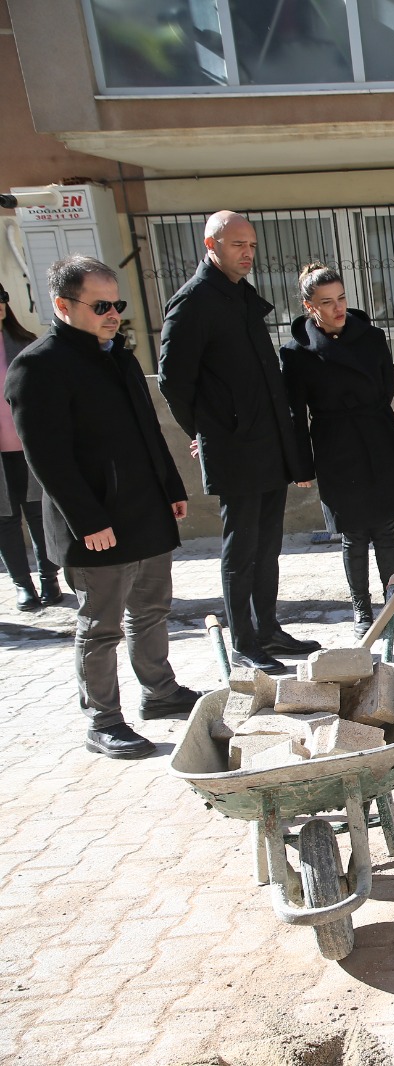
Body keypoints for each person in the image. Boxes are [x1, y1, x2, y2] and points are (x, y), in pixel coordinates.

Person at [4, 256, 202, 758]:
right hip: (96, 524)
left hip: (146, 511)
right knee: (101, 626)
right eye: (100, 305)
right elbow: (45, 457)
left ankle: (160, 693)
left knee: (152, 610)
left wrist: (171, 485)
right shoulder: (37, 364)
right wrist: (88, 519)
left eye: (116, 303)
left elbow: (147, 431)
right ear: (63, 305)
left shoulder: (119, 356)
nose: (113, 313)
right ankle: (102, 720)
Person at [158, 210, 319, 674]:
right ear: (212, 246)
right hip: (233, 444)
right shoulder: (193, 301)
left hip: (266, 438)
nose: (247, 254)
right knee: (241, 546)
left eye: (251, 246)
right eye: (237, 246)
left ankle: (267, 629)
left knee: (268, 544)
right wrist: (205, 431)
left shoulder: (238, 293)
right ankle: (244, 642)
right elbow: (173, 380)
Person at [281, 263, 394, 639]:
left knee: (386, 528)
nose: (338, 308)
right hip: (333, 444)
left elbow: (386, 387)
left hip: (377, 435)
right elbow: (296, 412)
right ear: (308, 305)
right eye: (327, 302)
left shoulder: (372, 337)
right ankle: (361, 610)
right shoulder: (296, 353)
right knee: (353, 533)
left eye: (341, 298)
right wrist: (301, 466)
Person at [0, 284, 61, 613]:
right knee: (5, 519)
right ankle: (22, 585)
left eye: (1, 299)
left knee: (39, 514)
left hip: (29, 447)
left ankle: (49, 578)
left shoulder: (26, 345)